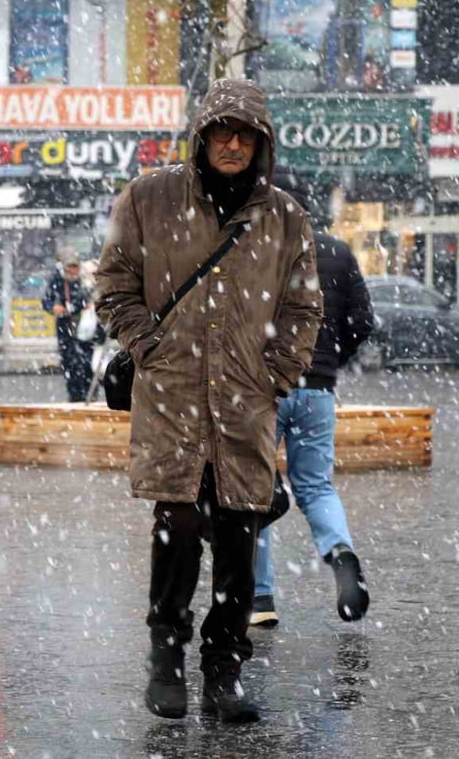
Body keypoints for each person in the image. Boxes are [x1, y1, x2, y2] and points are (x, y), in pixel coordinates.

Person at [95, 79, 323, 723]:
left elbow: (303, 308)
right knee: (177, 531)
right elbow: (113, 285)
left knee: (238, 538)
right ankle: (166, 659)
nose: (233, 144)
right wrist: (150, 347)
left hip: (245, 406)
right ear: (200, 137)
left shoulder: (285, 217)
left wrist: (274, 375)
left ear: (262, 143)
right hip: (172, 401)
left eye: (246, 135)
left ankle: (225, 671)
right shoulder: (149, 199)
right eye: (222, 131)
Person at [250, 193, 373, 629]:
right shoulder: (337, 251)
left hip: (264, 388)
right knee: (317, 486)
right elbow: (363, 321)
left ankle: (260, 598)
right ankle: (340, 552)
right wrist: (331, 361)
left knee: (255, 491)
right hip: (317, 389)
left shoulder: (255, 250)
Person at [42, 250, 95, 403]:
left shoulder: (86, 278)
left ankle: (89, 393)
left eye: (75, 267)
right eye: (69, 267)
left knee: (87, 360)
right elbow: (46, 301)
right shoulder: (57, 280)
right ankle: (74, 394)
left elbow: (95, 295)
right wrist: (53, 308)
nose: (73, 271)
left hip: (85, 324)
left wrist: (90, 304)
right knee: (68, 360)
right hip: (65, 325)